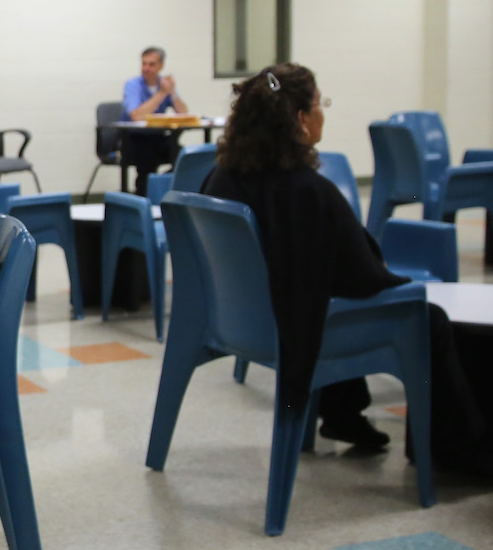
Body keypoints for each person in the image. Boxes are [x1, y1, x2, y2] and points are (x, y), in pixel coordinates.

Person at [201, 64, 487, 472]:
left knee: (321, 293)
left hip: (242, 323)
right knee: (431, 318)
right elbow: (367, 277)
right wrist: (401, 279)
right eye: (320, 104)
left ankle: (343, 412)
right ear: (301, 119)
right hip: (290, 328)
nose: (322, 112)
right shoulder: (309, 191)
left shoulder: (222, 177)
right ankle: (461, 449)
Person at [122, 46, 189, 195]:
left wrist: (172, 93)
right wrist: (161, 94)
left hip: (159, 137)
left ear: (161, 66)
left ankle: (163, 187)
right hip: (135, 139)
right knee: (147, 162)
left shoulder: (164, 84)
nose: (146, 68)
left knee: (184, 157)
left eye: (151, 64)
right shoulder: (133, 85)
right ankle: (145, 195)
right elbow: (136, 115)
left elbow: (183, 113)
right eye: (144, 64)